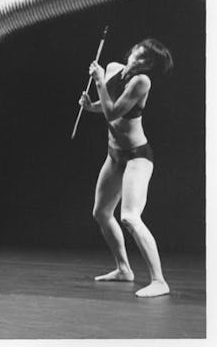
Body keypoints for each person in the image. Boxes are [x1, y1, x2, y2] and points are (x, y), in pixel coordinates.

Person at [78, 38, 173, 298]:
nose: (139, 62)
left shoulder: (142, 82)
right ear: (132, 52)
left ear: (151, 67)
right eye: (138, 55)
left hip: (137, 157)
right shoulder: (112, 68)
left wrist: (98, 81)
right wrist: (90, 106)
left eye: (146, 62)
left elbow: (113, 112)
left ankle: (159, 281)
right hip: (115, 156)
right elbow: (107, 106)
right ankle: (123, 269)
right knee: (101, 213)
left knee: (130, 217)